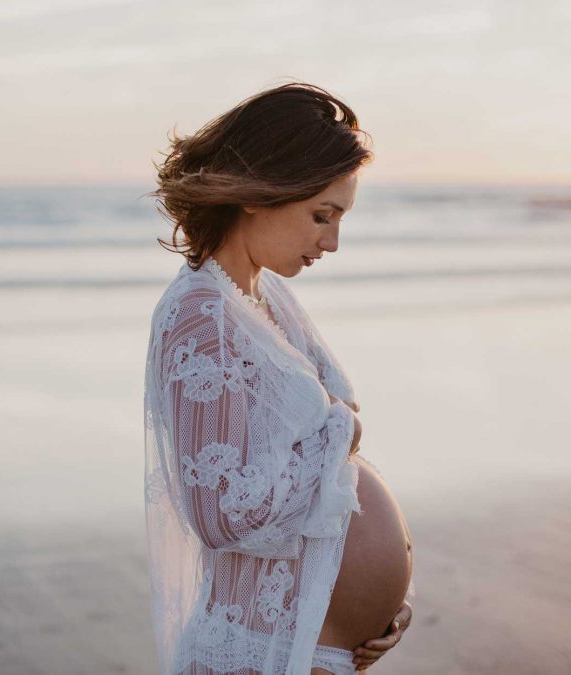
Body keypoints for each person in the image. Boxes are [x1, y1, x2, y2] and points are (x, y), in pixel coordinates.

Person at [142, 81, 413, 675]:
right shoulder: (201, 317)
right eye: (323, 215)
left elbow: (318, 480)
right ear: (260, 193)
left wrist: (381, 600)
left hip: (314, 640)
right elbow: (221, 514)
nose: (332, 242)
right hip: (261, 653)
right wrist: (341, 431)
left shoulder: (265, 298)